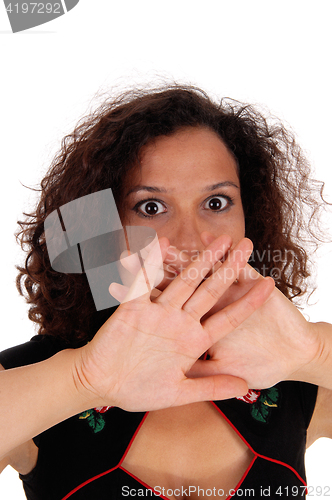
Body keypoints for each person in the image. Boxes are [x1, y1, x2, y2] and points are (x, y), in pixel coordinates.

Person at [0, 85, 331, 500]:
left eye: (216, 202)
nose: (191, 240)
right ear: (105, 227)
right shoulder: (28, 377)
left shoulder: (295, 378)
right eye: (151, 208)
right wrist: (84, 379)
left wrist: (315, 352)